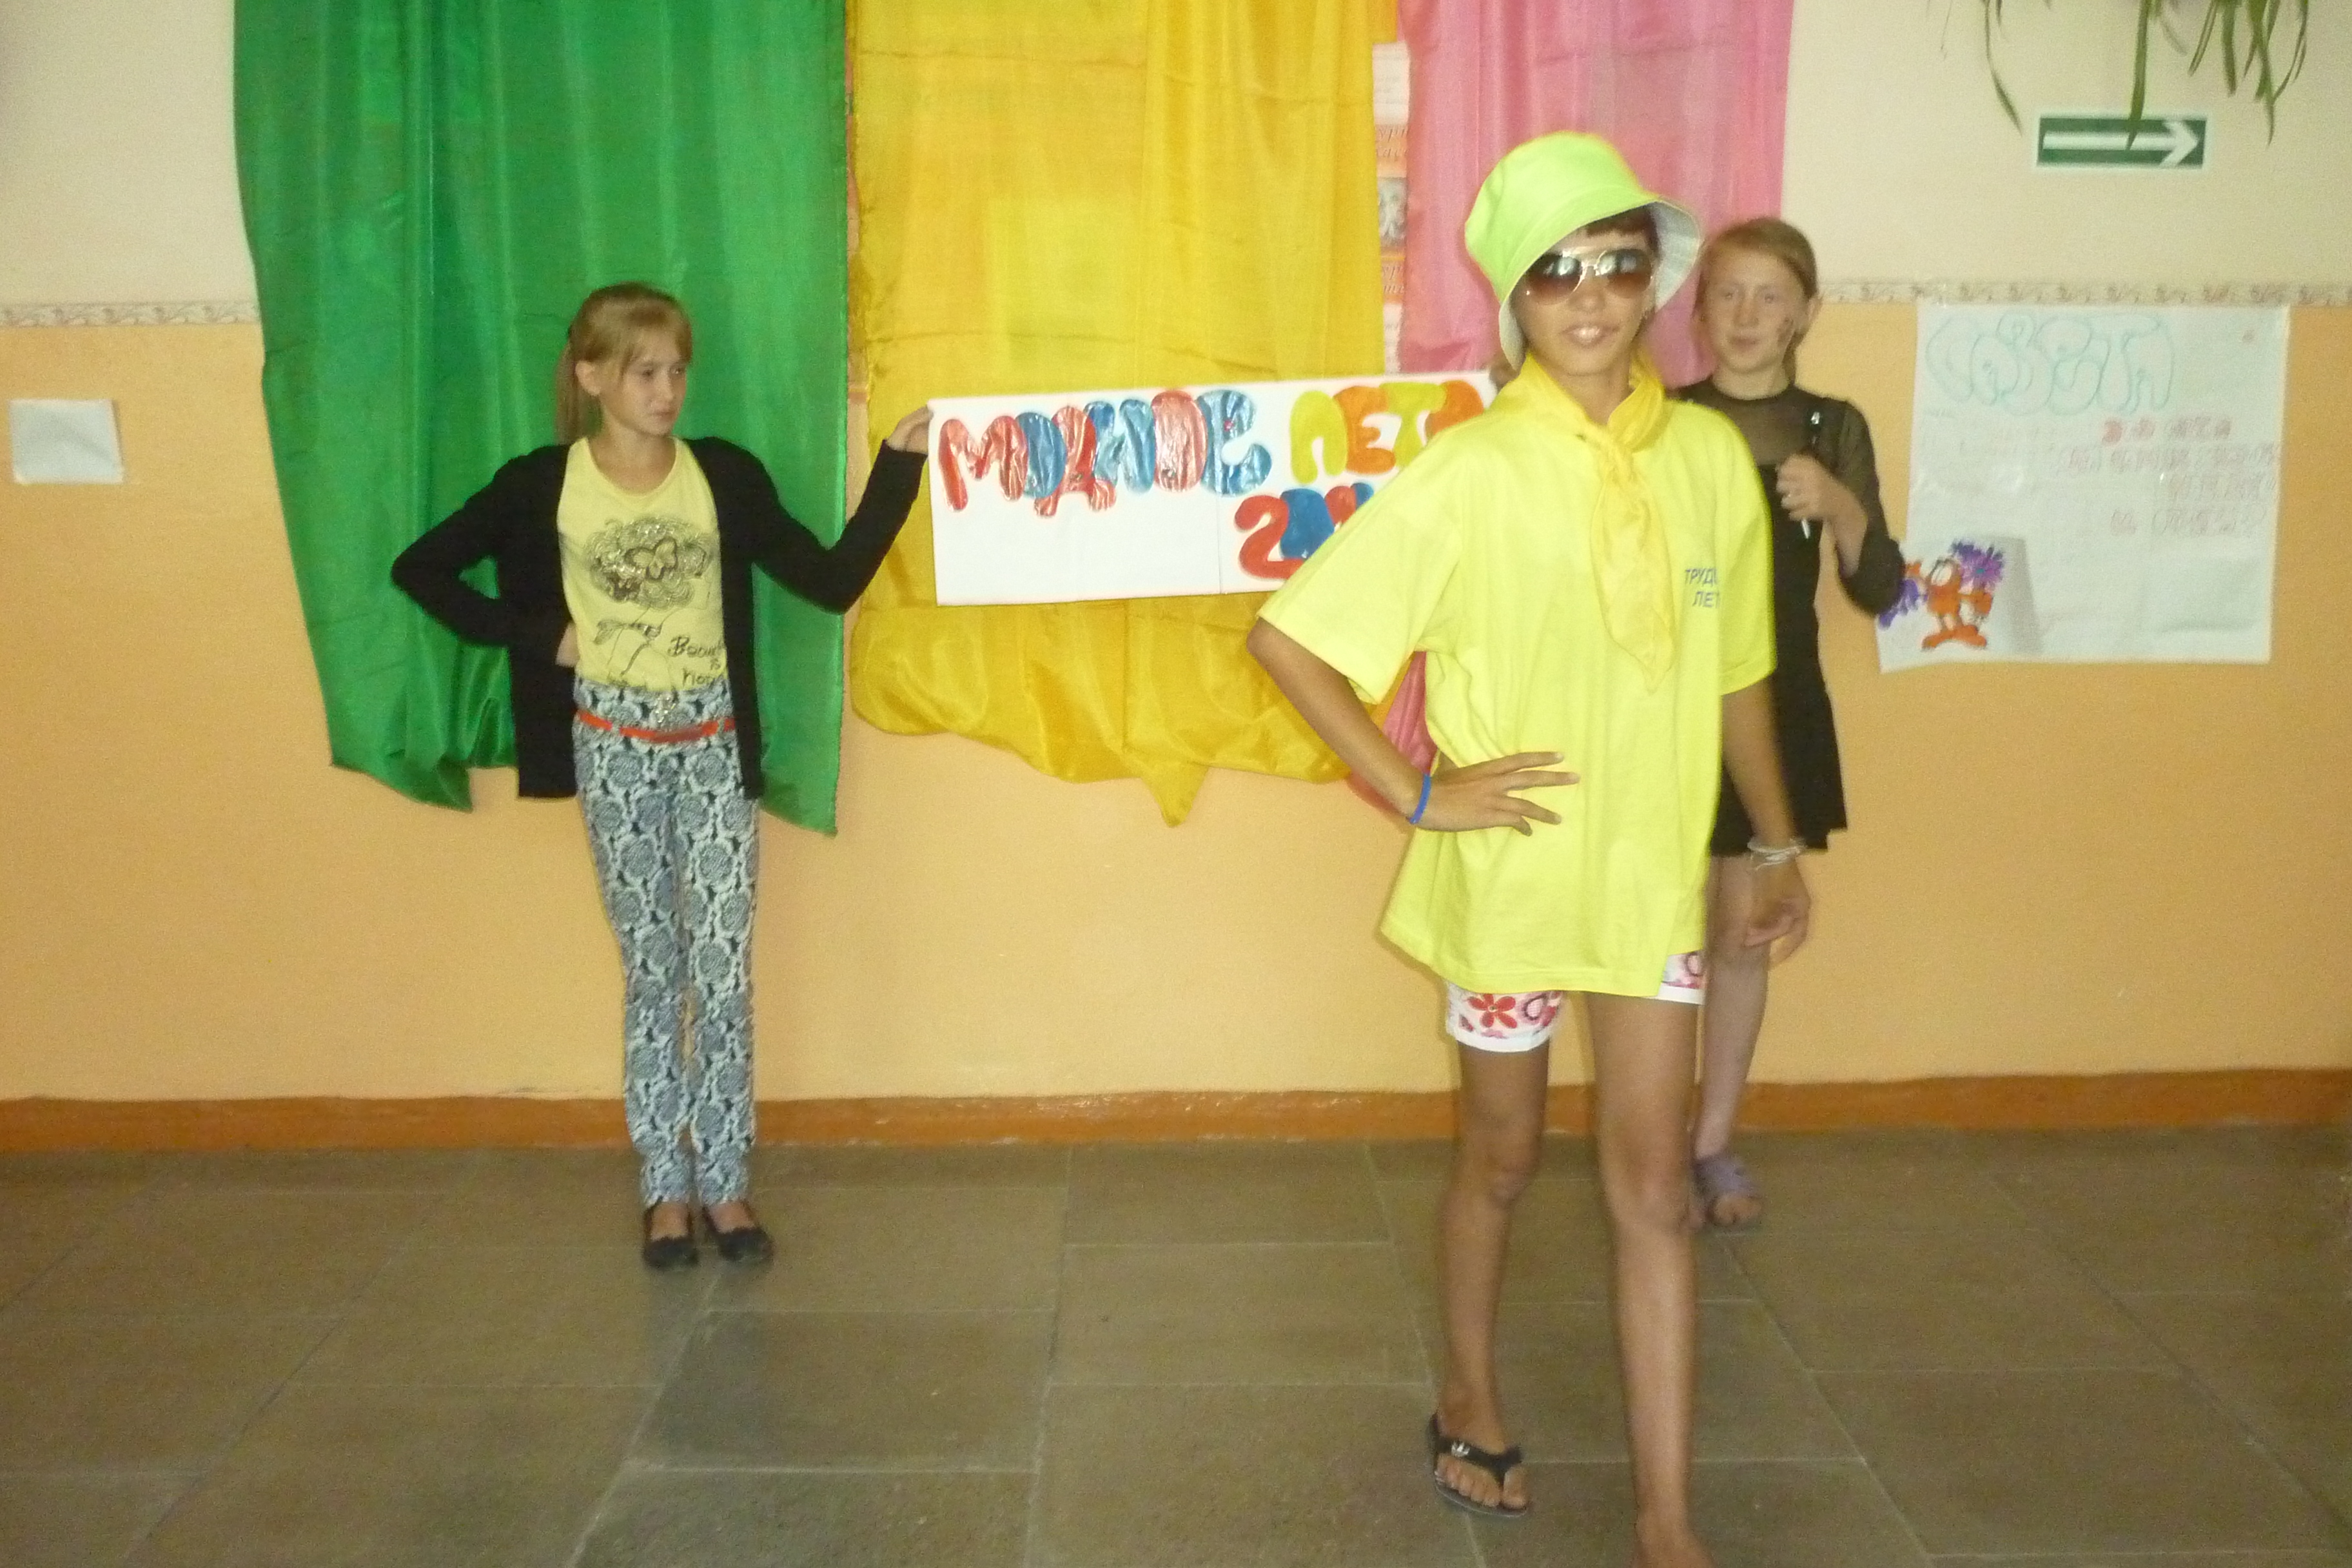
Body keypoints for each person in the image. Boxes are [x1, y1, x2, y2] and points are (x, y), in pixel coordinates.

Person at [1248, 135, 1807, 1563]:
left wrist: (1774, 842)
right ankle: (1469, 1393)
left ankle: (1668, 1520)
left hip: (1647, 886)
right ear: (1516, 300)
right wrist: (1420, 795)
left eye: (1616, 263)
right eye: (1556, 272)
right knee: (1499, 1160)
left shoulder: (1707, 460)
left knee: (1655, 1188)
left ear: (1652, 280)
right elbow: (1294, 641)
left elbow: (1741, 675)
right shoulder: (1470, 471)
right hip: (1510, 883)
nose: (1591, 296)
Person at [393, 283, 930, 1271]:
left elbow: (830, 580)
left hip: (713, 748)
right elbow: (421, 568)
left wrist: (900, 464)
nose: (666, 389)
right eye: (644, 371)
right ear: (592, 375)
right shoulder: (541, 486)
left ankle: (724, 1181)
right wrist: (540, 636)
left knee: (722, 971)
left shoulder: (721, 477)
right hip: (614, 749)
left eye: (677, 370)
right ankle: (664, 1190)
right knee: (654, 973)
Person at [1676, 220, 1903, 1230]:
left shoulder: (1830, 427)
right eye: (1728, 293)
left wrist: (1842, 508)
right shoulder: (1666, 421)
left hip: (1778, 699)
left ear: (1806, 313)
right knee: (1650, 932)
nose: (1747, 315)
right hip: (1667, 700)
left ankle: (1711, 1144)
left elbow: (1880, 588)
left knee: (1742, 930)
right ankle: (1648, 1139)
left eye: (1770, 296)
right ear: (1699, 309)